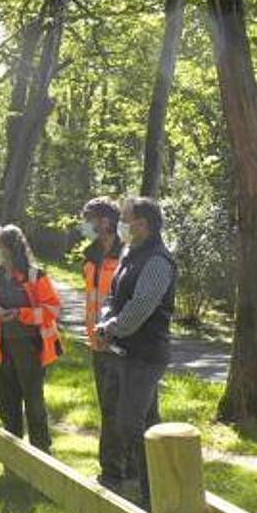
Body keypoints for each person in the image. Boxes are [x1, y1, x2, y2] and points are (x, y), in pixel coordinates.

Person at [95, 197, 177, 511]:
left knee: (131, 423)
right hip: (125, 351)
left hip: (146, 355)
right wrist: (105, 323)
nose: (121, 225)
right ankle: (160, 490)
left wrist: (111, 328)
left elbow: (140, 307)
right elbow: (113, 295)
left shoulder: (158, 260)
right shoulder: (131, 252)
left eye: (127, 219)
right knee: (148, 423)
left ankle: (151, 496)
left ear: (143, 224)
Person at [80, 197, 157, 490]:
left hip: (127, 345)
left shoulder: (130, 255)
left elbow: (136, 302)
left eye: (90, 220)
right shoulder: (89, 256)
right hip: (98, 346)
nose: (85, 226)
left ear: (105, 222)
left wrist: (117, 331)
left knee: (136, 413)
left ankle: (140, 473)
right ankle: (112, 471)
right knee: (109, 409)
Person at [0, 225, 62, 453]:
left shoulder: (35, 275)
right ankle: (13, 454)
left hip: (30, 347)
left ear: (11, 249)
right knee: (7, 403)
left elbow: (52, 309)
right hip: (1, 348)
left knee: (33, 403)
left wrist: (20, 314)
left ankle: (42, 453)